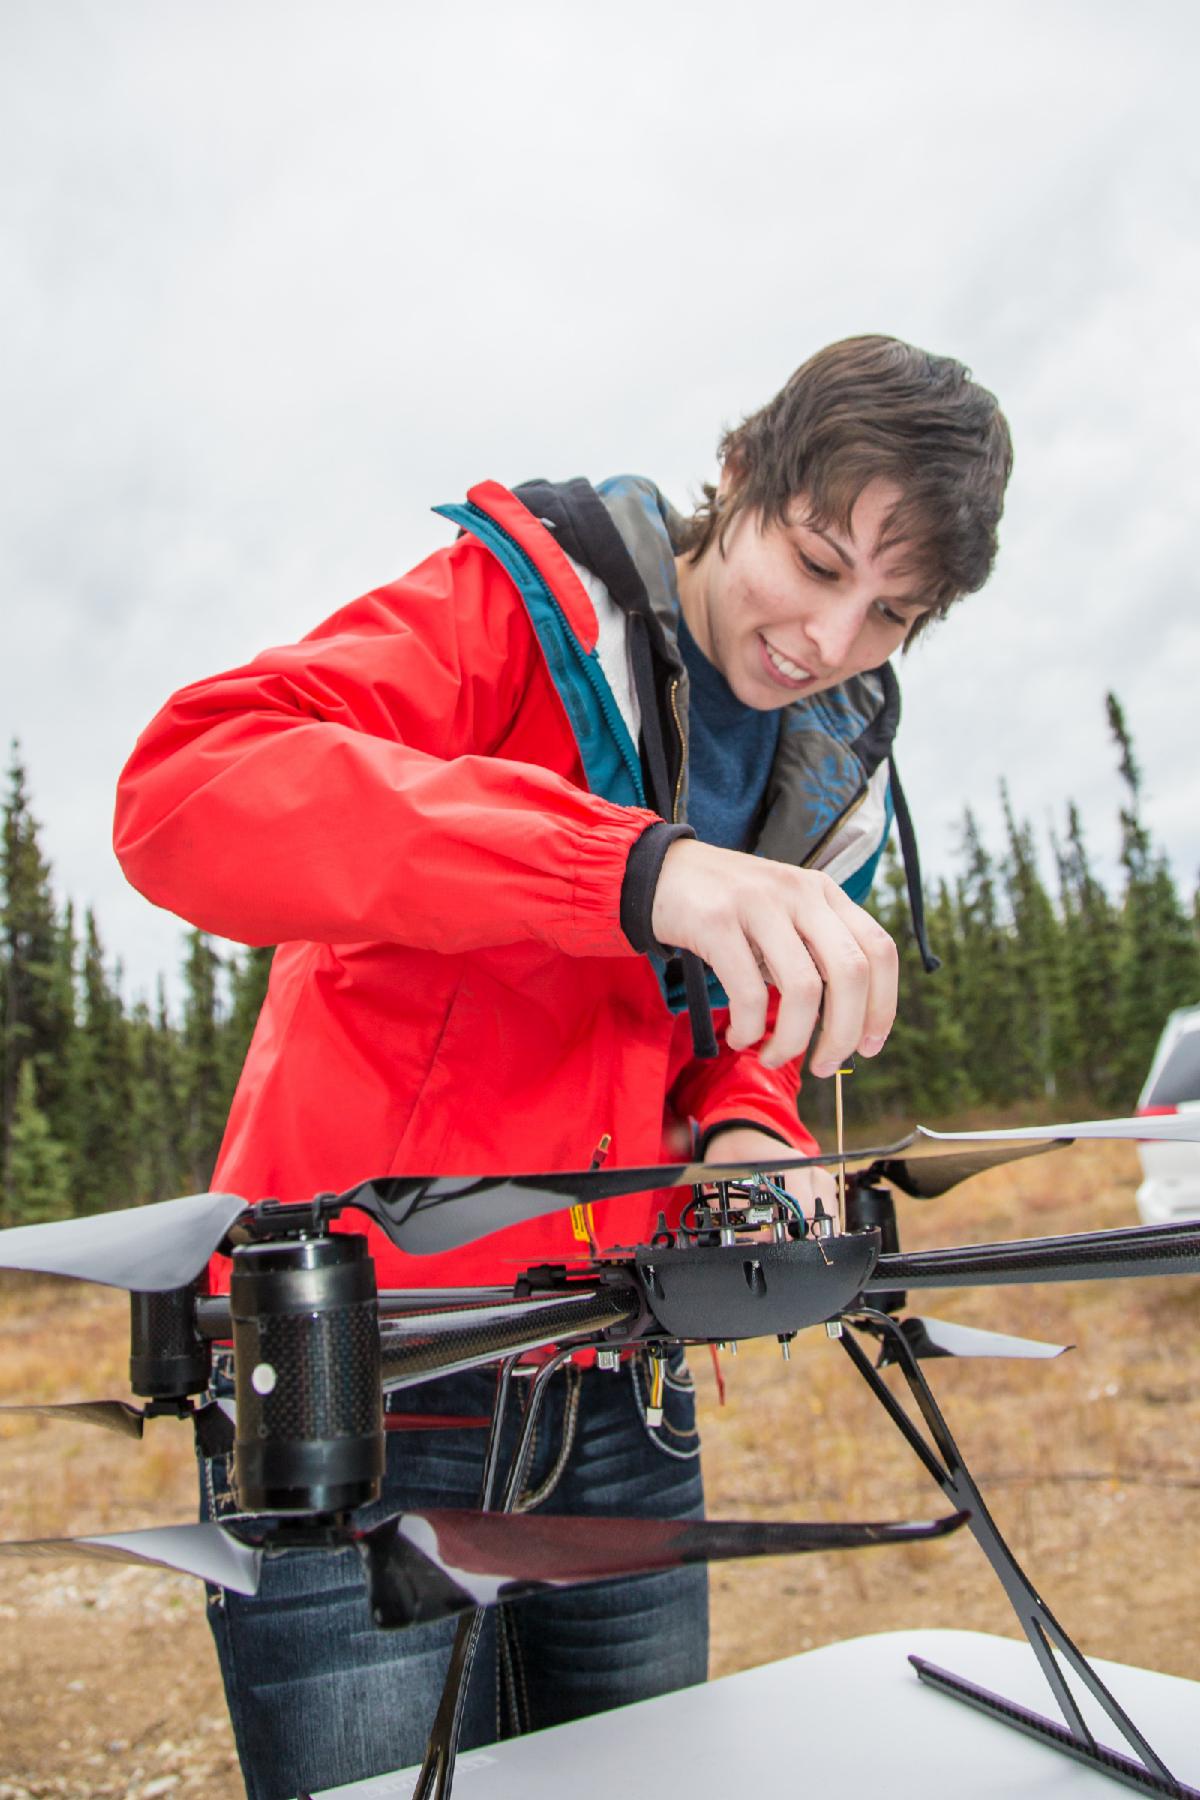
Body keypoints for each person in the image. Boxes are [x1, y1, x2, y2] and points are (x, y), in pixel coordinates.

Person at [113, 333, 1012, 1798]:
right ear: (740, 476)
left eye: (890, 614)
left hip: (620, 1388)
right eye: (815, 556)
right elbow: (186, 796)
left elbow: (726, 1038)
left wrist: (743, 1133)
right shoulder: (515, 609)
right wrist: (632, 869)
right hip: (364, 1375)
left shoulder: (825, 757)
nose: (828, 639)